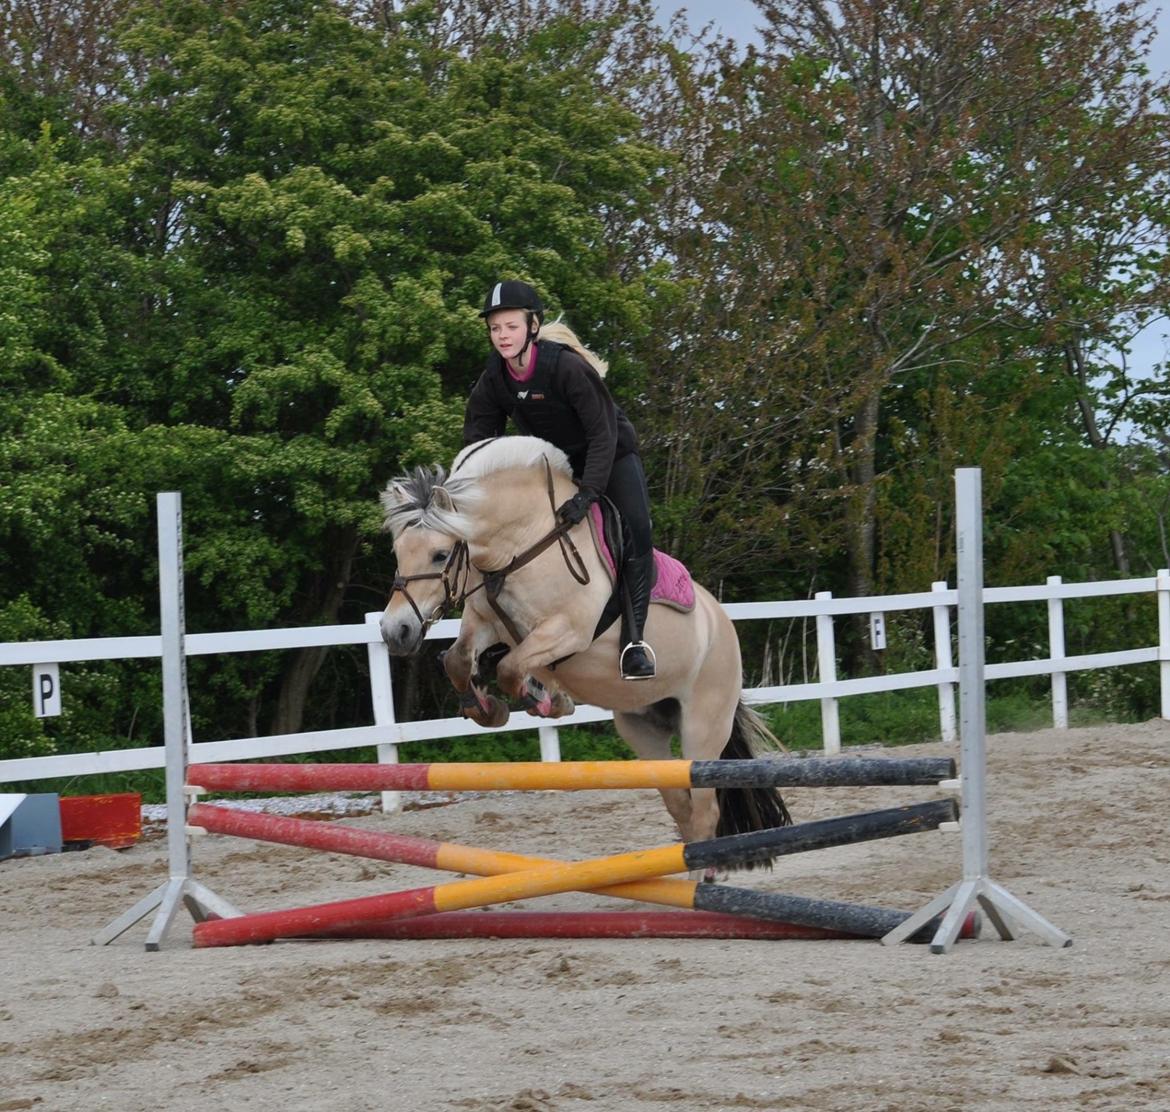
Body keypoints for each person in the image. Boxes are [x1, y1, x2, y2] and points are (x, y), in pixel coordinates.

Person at [462, 279, 657, 680]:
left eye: (511, 326)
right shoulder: (495, 378)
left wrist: (589, 494)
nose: (502, 336)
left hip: (612, 455)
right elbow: (479, 441)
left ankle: (635, 642)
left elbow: (602, 435)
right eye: (495, 328)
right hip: (560, 462)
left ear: (532, 326)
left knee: (636, 529)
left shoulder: (566, 367)